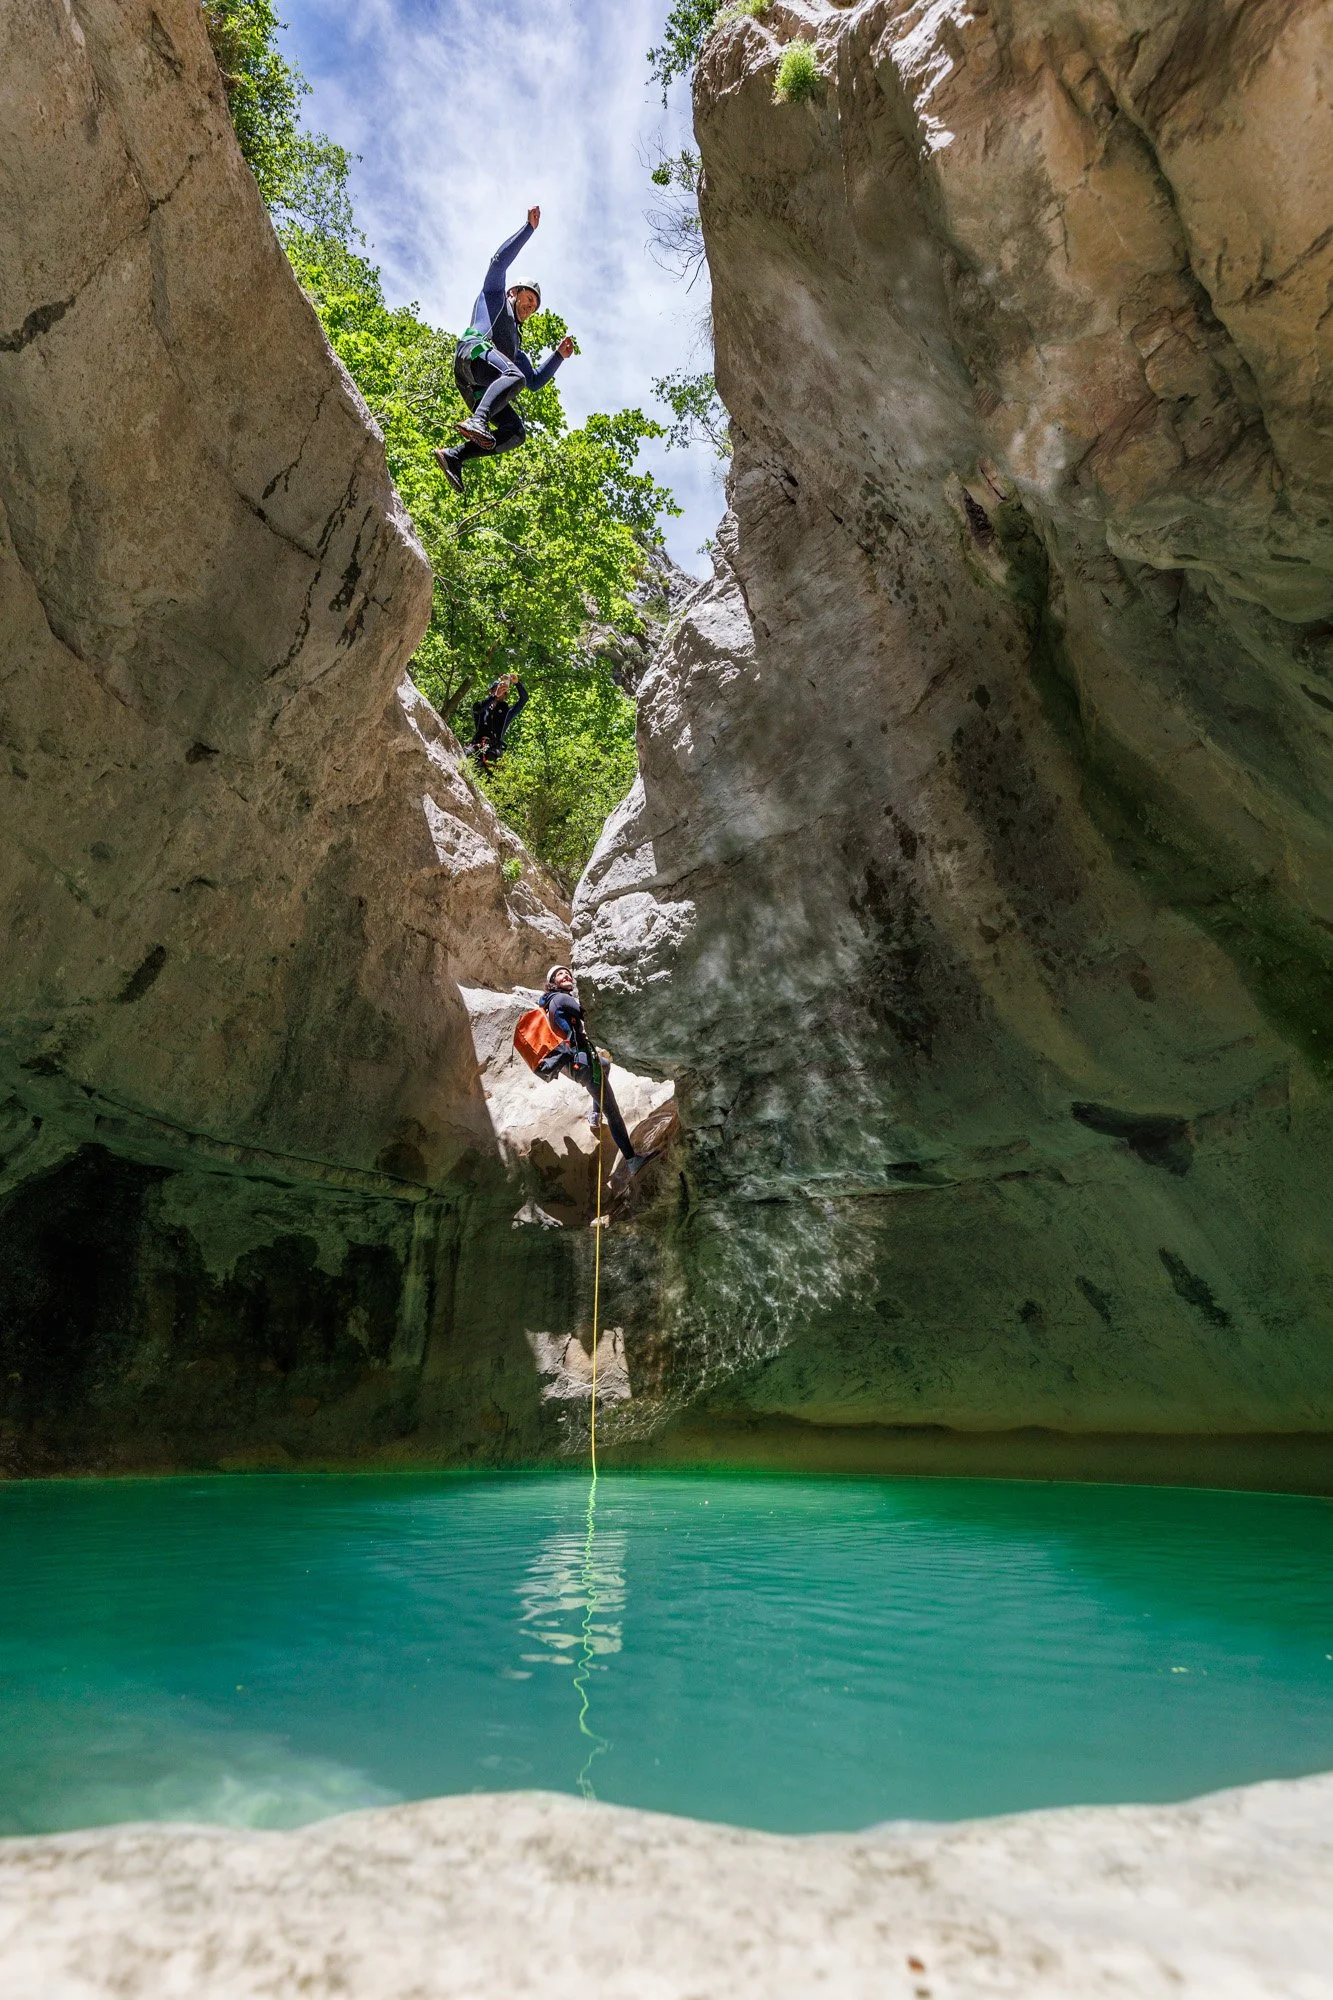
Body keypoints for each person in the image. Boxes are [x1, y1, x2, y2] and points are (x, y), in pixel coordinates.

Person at [434, 204, 575, 496]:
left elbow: (534, 381)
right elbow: (498, 262)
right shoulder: (495, 296)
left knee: (515, 432)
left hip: (475, 387)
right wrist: (528, 229)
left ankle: (455, 456)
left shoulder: (514, 349)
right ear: (514, 292)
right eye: (528, 299)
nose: (530, 307)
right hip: (471, 354)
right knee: (514, 375)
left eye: (535, 306)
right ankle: (478, 420)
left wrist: (558, 357)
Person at [536, 966, 655, 1176]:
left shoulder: (549, 1003)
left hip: (568, 1063)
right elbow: (590, 1014)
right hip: (582, 1064)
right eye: (560, 975)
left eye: (568, 973)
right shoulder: (563, 1000)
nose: (567, 976)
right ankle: (632, 1160)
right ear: (553, 982)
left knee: (606, 1065)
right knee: (614, 1113)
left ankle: (594, 1113)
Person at [468, 671, 528, 769]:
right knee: (465, 753)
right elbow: (478, 709)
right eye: (496, 689)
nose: (500, 693)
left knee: (491, 765)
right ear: (490, 692)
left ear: (505, 695)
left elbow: (524, 699)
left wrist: (517, 683)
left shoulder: (507, 712)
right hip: (477, 744)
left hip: (494, 749)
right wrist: (494, 696)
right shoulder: (481, 706)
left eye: (503, 691)